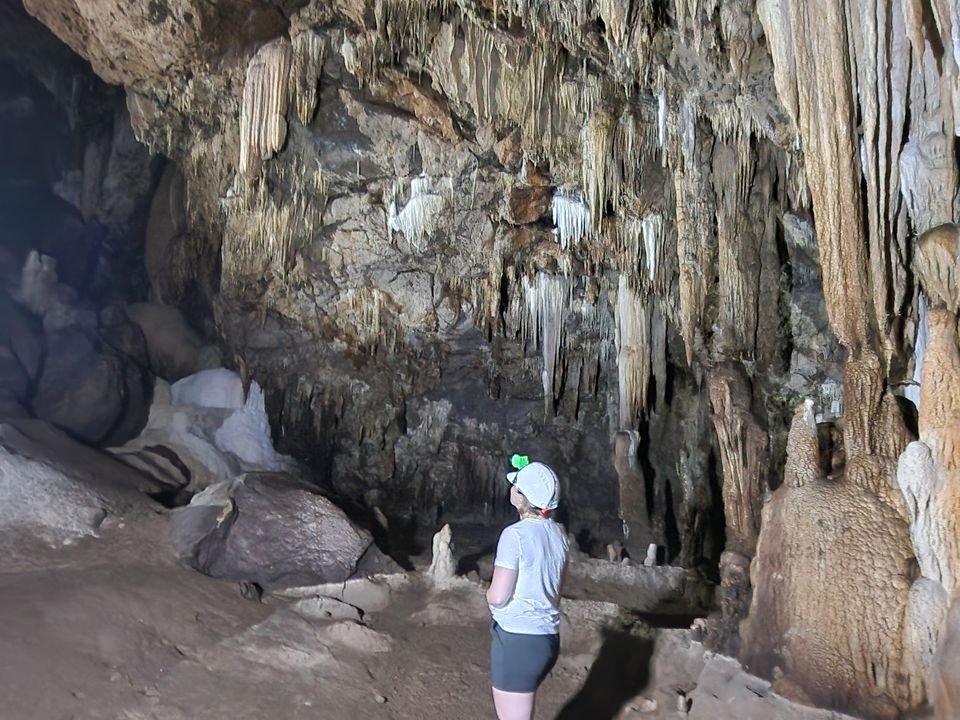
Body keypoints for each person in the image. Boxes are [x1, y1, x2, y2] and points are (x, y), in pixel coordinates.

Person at [486, 461, 569, 720]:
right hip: (547, 639)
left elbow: (498, 597)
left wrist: (487, 596)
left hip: (518, 641)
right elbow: (556, 592)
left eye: (516, 485)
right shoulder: (560, 535)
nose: (511, 488)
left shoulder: (515, 535)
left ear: (521, 497)